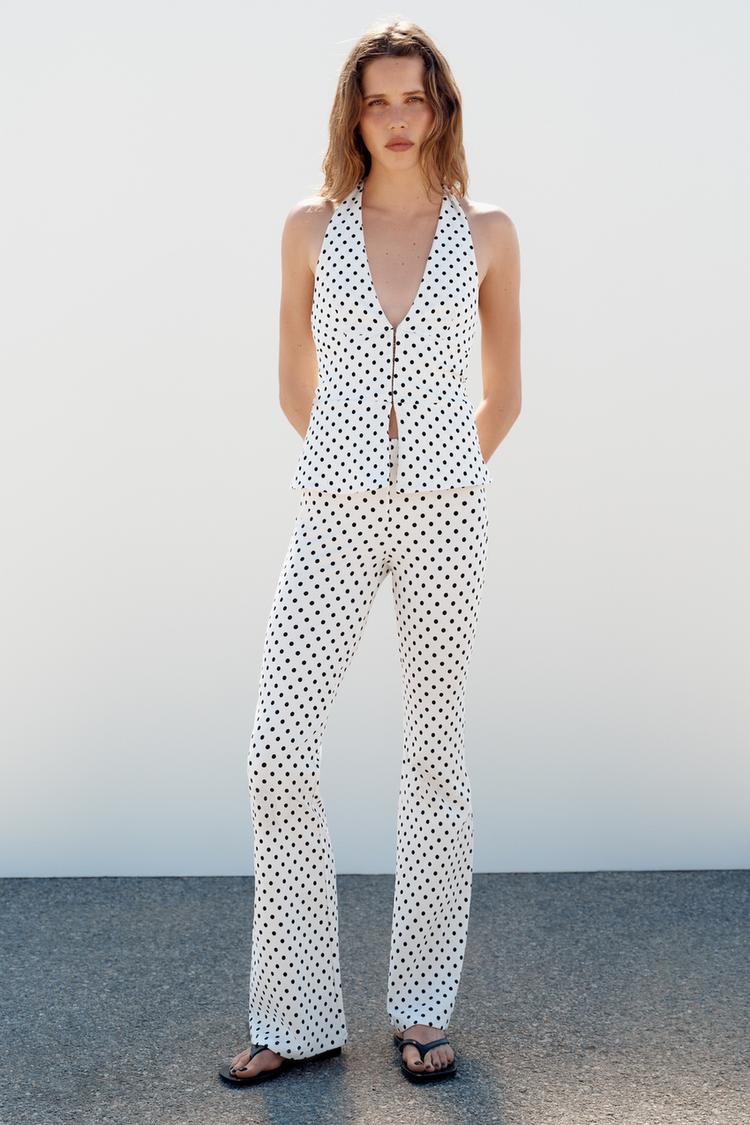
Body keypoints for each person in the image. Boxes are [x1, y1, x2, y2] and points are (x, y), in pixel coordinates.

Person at [219, 16, 521, 1088]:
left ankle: (423, 1008)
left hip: (448, 515)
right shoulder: (310, 229)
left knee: (434, 753)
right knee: (276, 750)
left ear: (441, 110)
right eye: (377, 99)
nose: (397, 118)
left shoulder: (488, 233)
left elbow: (506, 393)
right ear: (354, 114)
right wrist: (350, 464)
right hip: (334, 513)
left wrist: (444, 474)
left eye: (414, 98)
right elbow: (291, 379)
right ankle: (297, 1015)